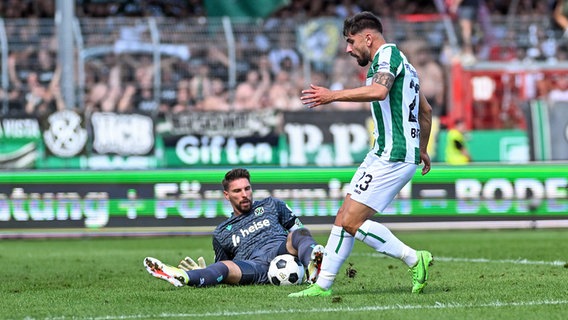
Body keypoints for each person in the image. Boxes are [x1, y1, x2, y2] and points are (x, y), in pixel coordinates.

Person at [288, 11, 433, 298]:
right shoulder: (404, 65)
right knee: (343, 216)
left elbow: (379, 92)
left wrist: (332, 95)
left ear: (368, 38)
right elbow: (425, 112)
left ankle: (415, 259)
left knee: (352, 222)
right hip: (385, 153)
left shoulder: (388, 56)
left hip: (393, 155)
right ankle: (323, 285)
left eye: (351, 41)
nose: (347, 49)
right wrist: (424, 149)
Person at [144, 168, 324, 288]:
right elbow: (224, 268)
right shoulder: (222, 232)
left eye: (247, 188)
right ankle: (183, 275)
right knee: (224, 267)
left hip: (281, 250)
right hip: (255, 266)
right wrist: (206, 271)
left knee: (300, 233)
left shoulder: (272, 205)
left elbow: (299, 232)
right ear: (227, 195)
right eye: (237, 191)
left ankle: (314, 268)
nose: (244, 195)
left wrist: (304, 247)